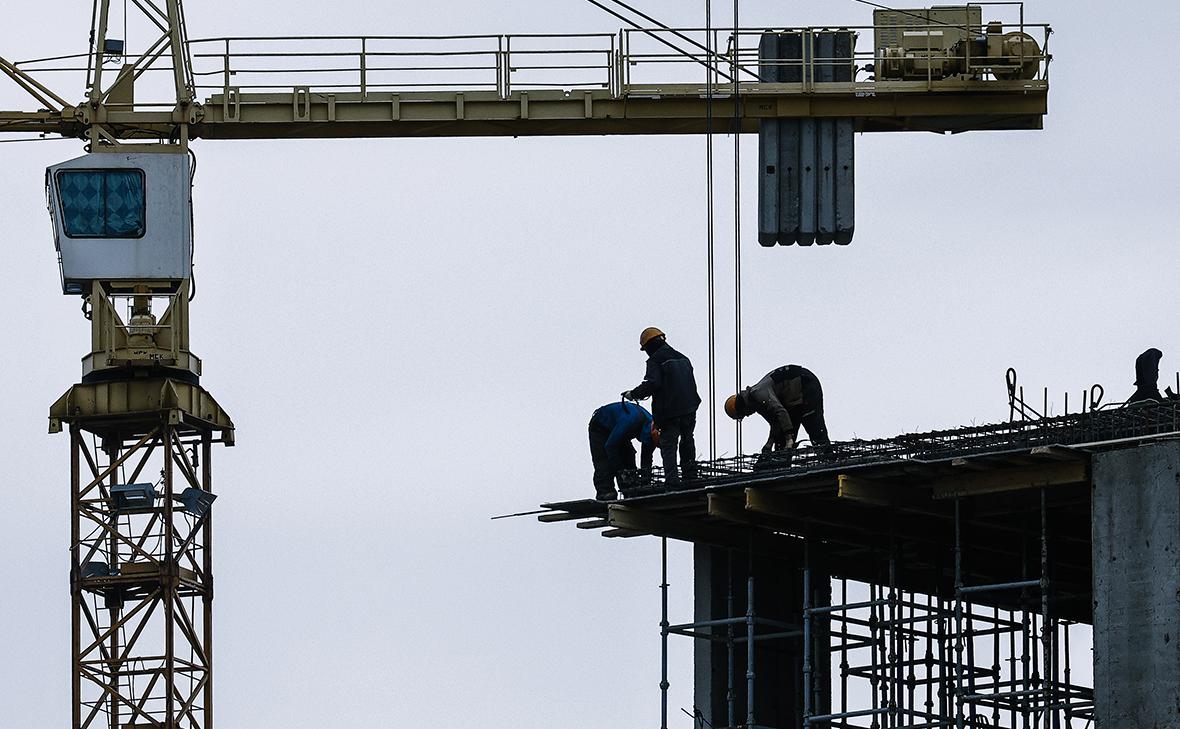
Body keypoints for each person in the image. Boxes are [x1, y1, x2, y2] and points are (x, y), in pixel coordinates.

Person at [622, 327, 701, 484]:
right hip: (690, 409)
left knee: (669, 446)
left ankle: (672, 483)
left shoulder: (655, 360)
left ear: (649, 345)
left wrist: (634, 394)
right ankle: (690, 477)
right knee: (687, 441)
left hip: (670, 413)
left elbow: (653, 383)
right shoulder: (683, 358)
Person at [725, 364, 831, 454]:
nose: (747, 415)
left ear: (743, 407)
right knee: (781, 443)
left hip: (805, 384)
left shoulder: (758, 394)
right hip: (793, 398)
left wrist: (789, 440)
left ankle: (827, 457)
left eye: (743, 414)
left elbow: (780, 412)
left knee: (813, 425)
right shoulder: (757, 402)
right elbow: (777, 423)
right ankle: (780, 466)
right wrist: (769, 444)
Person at [588, 400, 657, 501]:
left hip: (619, 428)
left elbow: (646, 459)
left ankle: (631, 492)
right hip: (600, 427)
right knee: (604, 462)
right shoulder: (631, 422)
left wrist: (645, 483)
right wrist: (620, 469)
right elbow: (610, 446)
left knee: (628, 458)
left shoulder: (653, 430)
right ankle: (606, 492)